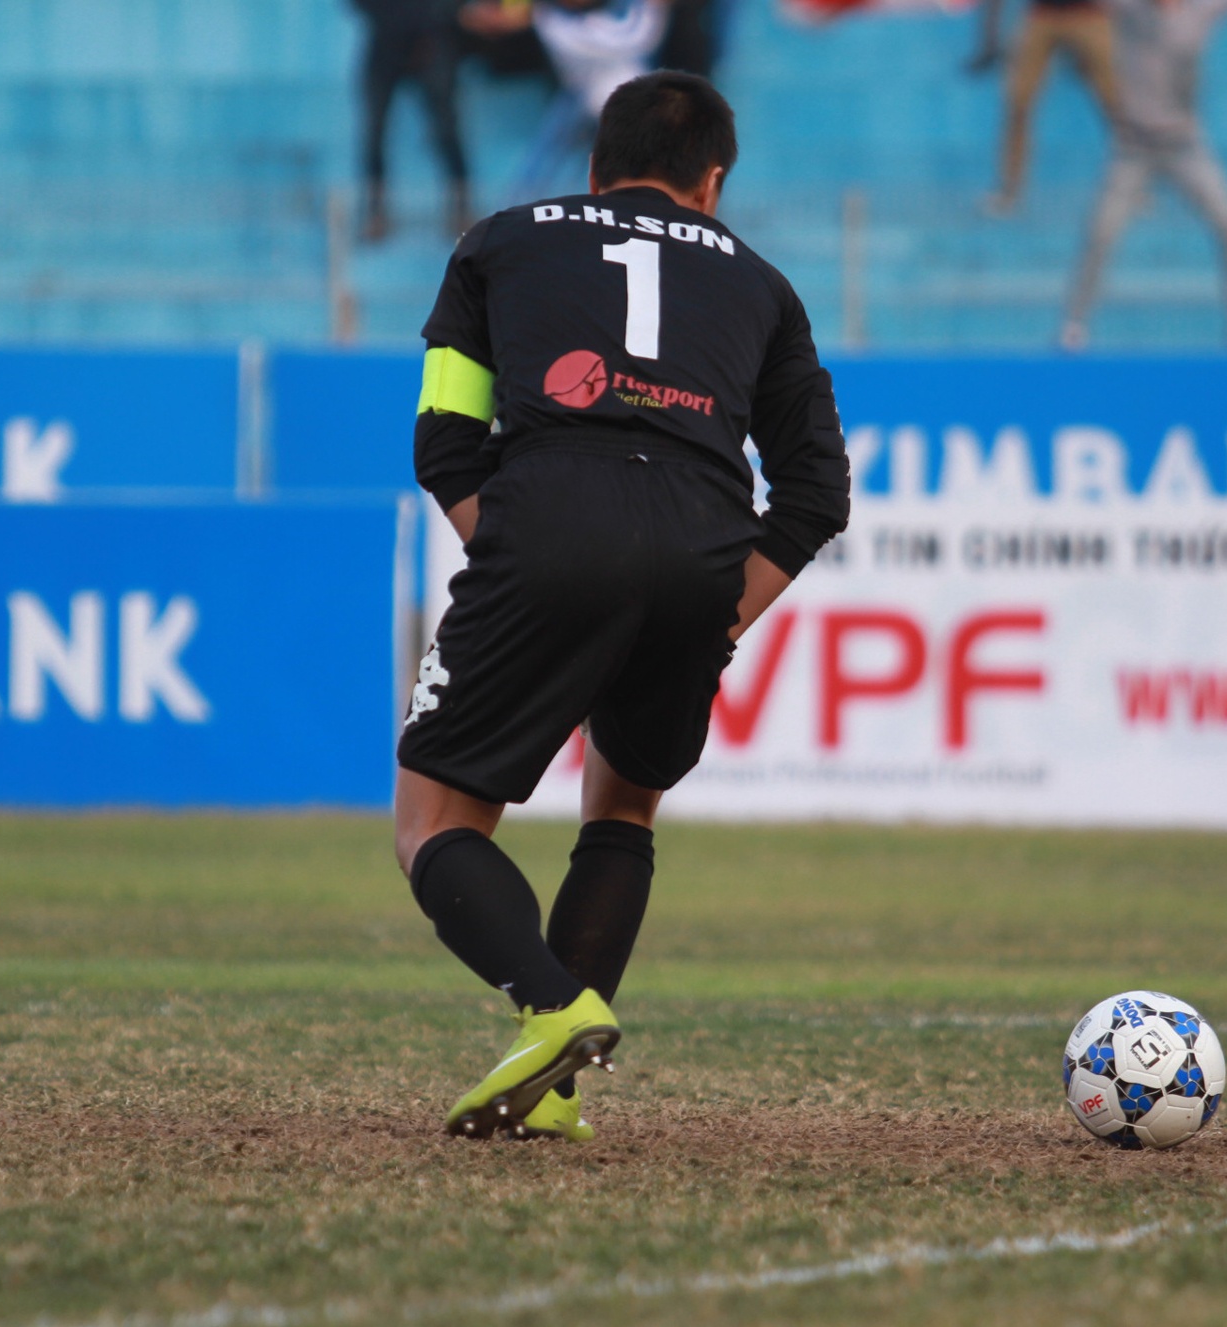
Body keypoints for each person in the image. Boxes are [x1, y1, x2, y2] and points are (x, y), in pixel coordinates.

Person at [398, 71, 850, 1140]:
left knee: (431, 825)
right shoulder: (766, 287)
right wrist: (721, 615)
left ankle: (554, 1009)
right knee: (623, 805)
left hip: (549, 518)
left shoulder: (496, 243)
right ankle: (552, 1093)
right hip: (702, 545)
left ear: (595, 169)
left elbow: (445, 439)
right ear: (713, 183)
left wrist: (523, 560)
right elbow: (816, 492)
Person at [1060, 0, 1227, 350]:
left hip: (1184, 144)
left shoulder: (1200, 11)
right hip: (1133, 148)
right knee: (1101, 231)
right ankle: (1074, 323)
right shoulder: (1132, 10)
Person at [462, 0, 672, 204]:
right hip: (578, 99)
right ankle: (517, 207)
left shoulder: (629, 15)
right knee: (543, 160)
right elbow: (489, 18)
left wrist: (653, 9)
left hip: (628, 105)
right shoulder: (550, 17)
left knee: (647, 159)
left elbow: (633, 38)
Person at [980, 0, 1123, 216]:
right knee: (1018, 101)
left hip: (1089, 14)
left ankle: (1133, 184)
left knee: (1116, 104)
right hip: (1041, 14)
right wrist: (989, 37)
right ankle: (1009, 188)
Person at [352, 0, 473, 241]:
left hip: (433, 41)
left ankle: (461, 209)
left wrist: (433, 19)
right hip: (386, 42)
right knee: (374, 131)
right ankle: (375, 213)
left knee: (447, 130)